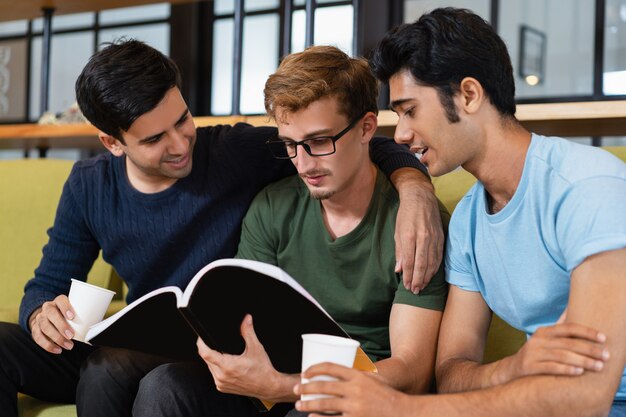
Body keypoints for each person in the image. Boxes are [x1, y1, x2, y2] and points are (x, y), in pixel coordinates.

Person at [0, 39, 442, 417]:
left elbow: (352, 142)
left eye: (182, 120)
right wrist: (42, 313)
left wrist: (415, 187)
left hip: (206, 352)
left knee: (120, 372)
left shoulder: (236, 152)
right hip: (137, 340)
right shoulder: (89, 185)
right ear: (113, 143)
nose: (178, 145)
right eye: (154, 139)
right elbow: (46, 284)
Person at [293, 8, 626, 417]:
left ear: (469, 95)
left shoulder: (587, 186)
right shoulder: (469, 219)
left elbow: (586, 398)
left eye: (410, 110)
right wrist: (515, 367)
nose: (400, 134)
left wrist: (397, 407)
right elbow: (451, 372)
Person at [180, 45, 446, 415]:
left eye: (320, 141)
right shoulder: (273, 206)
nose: (304, 164)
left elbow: (411, 372)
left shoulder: (416, 225)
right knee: (166, 386)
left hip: (361, 396)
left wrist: (287, 387)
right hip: (275, 383)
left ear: (367, 127)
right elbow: (244, 327)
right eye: (290, 145)